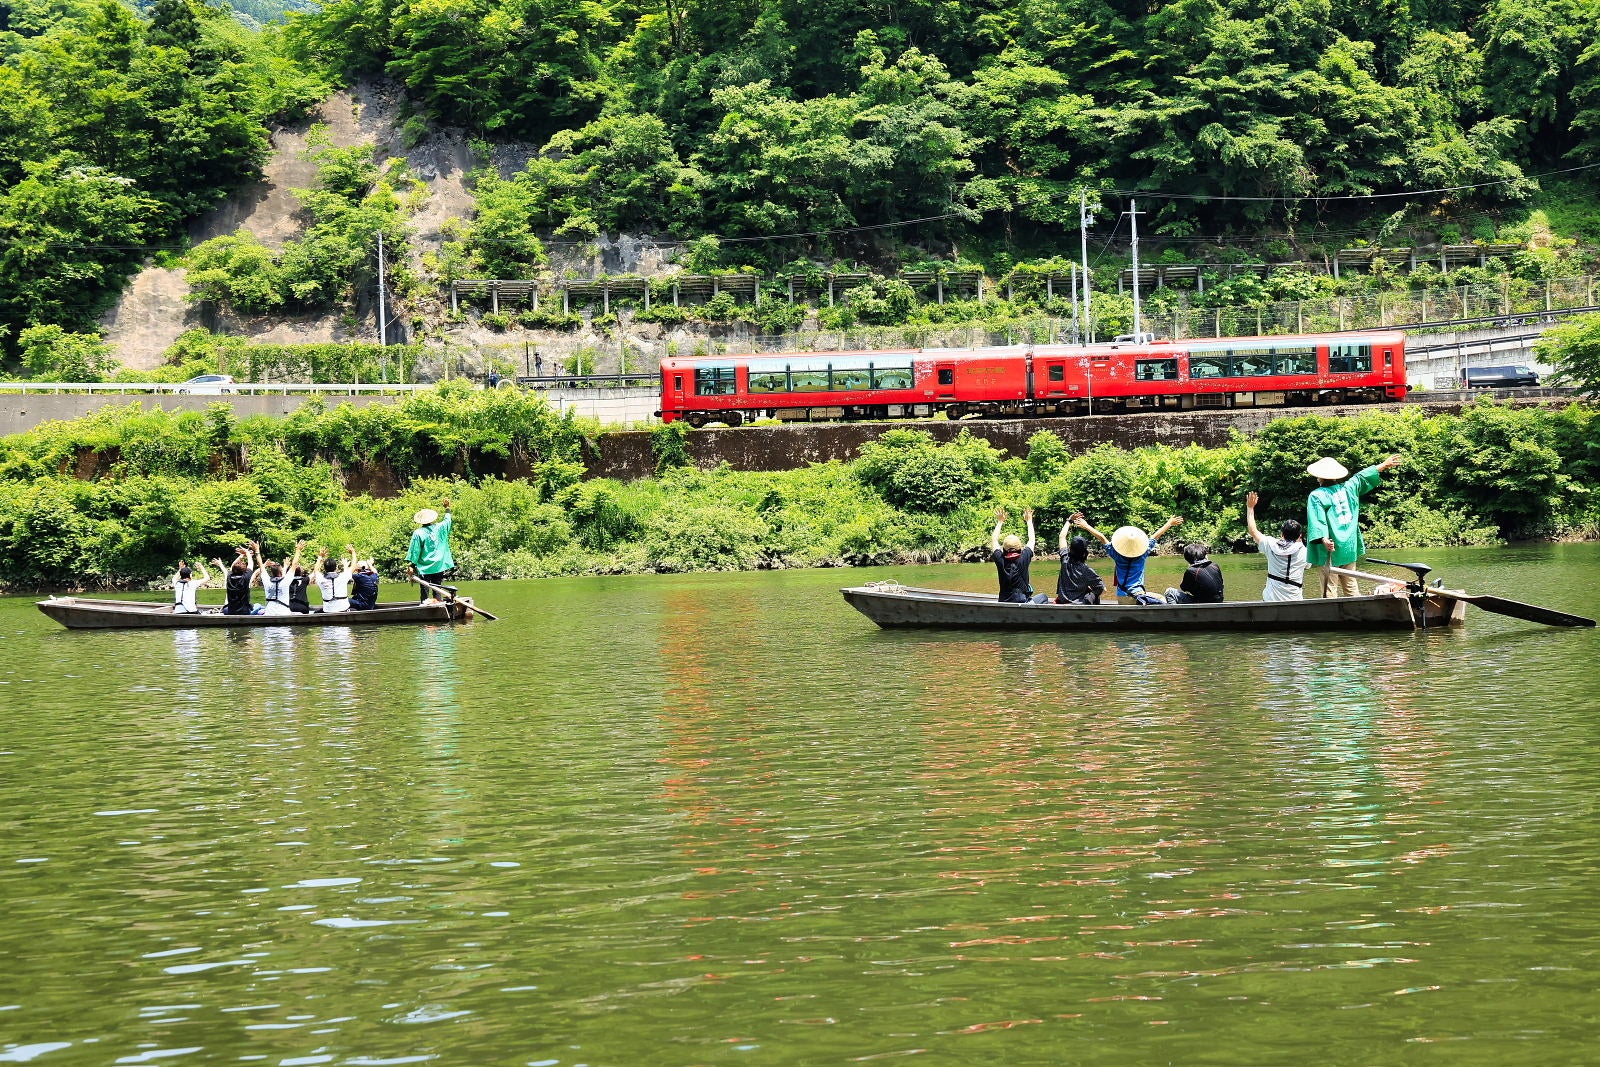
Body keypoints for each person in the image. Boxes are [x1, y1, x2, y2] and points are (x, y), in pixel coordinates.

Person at [1306, 454, 1404, 597]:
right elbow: (1361, 477)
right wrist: (1383, 465)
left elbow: (1318, 520)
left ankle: (1332, 618)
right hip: (1348, 548)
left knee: (1329, 590)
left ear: (1320, 477)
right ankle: (1357, 615)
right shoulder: (1348, 488)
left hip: (1330, 551)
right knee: (1351, 587)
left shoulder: (1317, 495)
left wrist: (1324, 539)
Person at [1074, 513, 1183, 604]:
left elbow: (1102, 538)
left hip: (1121, 598)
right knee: (1162, 599)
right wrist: (1169, 523)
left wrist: (1087, 526)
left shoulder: (1117, 555)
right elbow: (1155, 536)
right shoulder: (1143, 554)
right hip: (1137, 598)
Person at [1245, 490, 1307, 601]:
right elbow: (1308, 565)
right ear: (1300, 536)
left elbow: (1253, 531)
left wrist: (1250, 508)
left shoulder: (1270, 544)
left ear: (1282, 534)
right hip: (1295, 601)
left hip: (1270, 600)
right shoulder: (1304, 552)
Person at [990, 507, 1048, 604]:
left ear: (1004, 549)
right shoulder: (1024, 557)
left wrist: (1000, 522)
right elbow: (1032, 540)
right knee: (1043, 597)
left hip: (1003, 602)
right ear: (1019, 548)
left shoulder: (1000, 559)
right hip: (1022, 603)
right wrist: (1029, 521)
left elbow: (994, 540)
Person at [408, 499, 455, 603]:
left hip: (425, 567)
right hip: (438, 565)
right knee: (437, 587)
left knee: (425, 590)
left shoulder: (418, 533)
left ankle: (426, 605)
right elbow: (448, 520)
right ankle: (438, 603)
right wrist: (447, 508)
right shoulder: (440, 528)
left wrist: (412, 565)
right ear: (432, 519)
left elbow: (415, 551)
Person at [1054, 521, 1105, 604]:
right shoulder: (1087, 570)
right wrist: (1089, 589)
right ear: (1084, 553)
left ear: (1070, 549)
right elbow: (1100, 587)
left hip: (1063, 600)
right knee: (1094, 593)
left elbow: (1061, 537)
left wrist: (1069, 521)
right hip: (1079, 604)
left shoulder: (1065, 560)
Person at [258, 541, 302, 616]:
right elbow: (294, 564)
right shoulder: (285, 581)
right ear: (282, 572)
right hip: (284, 613)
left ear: (271, 573)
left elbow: (261, 566)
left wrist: (257, 551)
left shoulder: (267, 581)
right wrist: (298, 550)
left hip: (269, 614)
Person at [219, 545, 259, 616]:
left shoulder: (229, 577)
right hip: (244, 612)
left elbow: (232, 566)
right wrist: (247, 553)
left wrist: (241, 556)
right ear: (244, 571)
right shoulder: (246, 577)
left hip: (230, 611)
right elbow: (251, 564)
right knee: (258, 605)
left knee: (225, 609)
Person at [315, 545, 355, 613]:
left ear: (324, 568)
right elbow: (353, 566)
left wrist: (320, 557)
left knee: (316, 612)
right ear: (336, 568)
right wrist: (353, 552)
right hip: (344, 609)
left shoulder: (321, 579)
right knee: (355, 609)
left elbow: (316, 570)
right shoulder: (343, 576)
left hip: (328, 611)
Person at [286, 541, 312, 614]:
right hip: (303, 608)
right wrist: (320, 558)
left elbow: (290, 568)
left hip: (290, 608)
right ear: (301, 572)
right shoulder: (305, 580)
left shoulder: (286, 580)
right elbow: (315, 572)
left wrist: (286, 566)